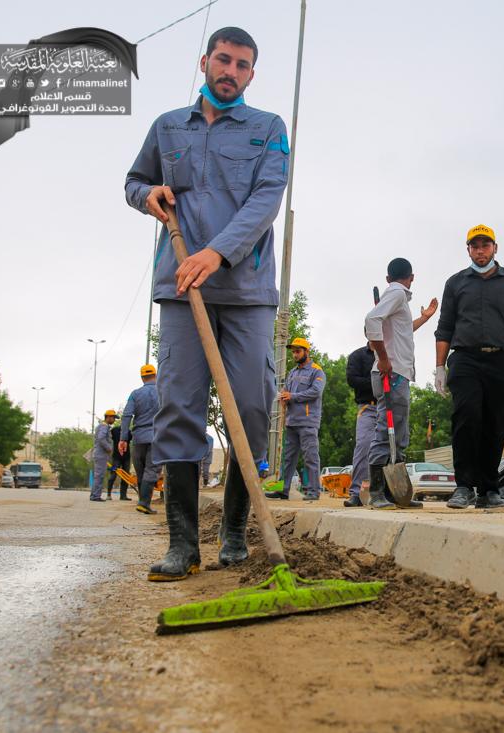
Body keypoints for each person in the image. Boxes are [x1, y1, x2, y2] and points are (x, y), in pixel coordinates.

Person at [124, 26, 289, 580]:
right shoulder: (167, 126)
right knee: (179, 409)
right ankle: (183, 544)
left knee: (252, 405)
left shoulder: (268, 129)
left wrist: (217, 253)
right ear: (204, 62)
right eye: (224, 60)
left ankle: (237, 531)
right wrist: (147, 195)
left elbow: (267, 198)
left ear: (251, 74)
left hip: (245, 291)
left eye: (243, 65)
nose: (231, 71)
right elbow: (134, 180)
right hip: (181, 288)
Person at [435, 225, 504, 509]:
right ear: (468, 250)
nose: (480, 250)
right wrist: (439, 366)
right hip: (464, 359)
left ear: (495, 248)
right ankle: (463, 487)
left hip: (499, 359)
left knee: (495, 424)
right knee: (466, 418)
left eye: (486, 245)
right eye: (475, 246)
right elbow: (445, 327)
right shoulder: (455, 283)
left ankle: (489, 490)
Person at [363, 258, 438, 509]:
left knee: (399, 435)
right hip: (390, 373)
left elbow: (400, 331)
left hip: (397, 374)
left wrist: (424, 319)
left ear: (387, 277)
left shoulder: (394, 296)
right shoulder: (396, 293)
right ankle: (376, 492)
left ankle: (392, 493)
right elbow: (371, 321)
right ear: (412, 277)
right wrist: (383, 358)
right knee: (387, 432)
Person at [276, 338, 326, 501]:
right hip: (292, 421)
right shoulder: (292, 372)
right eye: (293, 352)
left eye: (298, 351)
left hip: (307, 421)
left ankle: (313, 491)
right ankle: (282, 489)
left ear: (306, 351)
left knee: (310, 456)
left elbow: (315, 392)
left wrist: (293, 396)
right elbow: (286, 391)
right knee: (288, 458)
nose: (295, 355)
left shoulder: (317, 371)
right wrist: (283, 396)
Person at [120, 364, 161, 515]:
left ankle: (143, 503)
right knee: (152, 470)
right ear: (155, 375)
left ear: (142, 377)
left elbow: (126, 416)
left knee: (141, 471)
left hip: (138, 438)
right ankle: (144, 503)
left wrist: (123, 438)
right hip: (157, 437)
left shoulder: (135, 394)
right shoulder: (163, 392)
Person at [343, 342, 376, 507]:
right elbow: (352, 379)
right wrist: (376, 381)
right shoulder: (358, 356)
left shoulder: (391, 353)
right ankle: (356, 493)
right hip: (367, 407)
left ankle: (384, 493)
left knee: (391, 448)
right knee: (363, 446)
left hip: (388, 407)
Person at [91, 410, 116, 502]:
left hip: (99, 454)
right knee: (100, 475)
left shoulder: (102, 426)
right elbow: (101, 438)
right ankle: (95, 496)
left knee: (98, 475)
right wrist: (109, 448)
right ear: (108, 417)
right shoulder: (104, 427)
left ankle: (94, 495)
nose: (114, 420)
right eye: (113, 418)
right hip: (101, 454)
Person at [107, 420, 130, 500]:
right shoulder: (114, 430)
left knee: (126, 476)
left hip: (126, 457)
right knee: (113, 475)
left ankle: (123, 496)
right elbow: (108, 438)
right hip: (116, 457)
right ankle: (109, 494)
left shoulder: (129, 432)